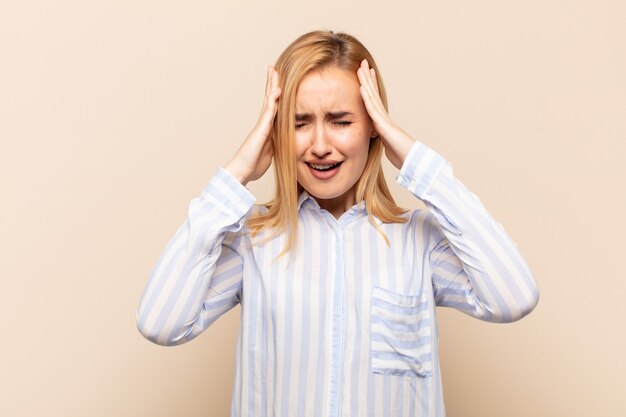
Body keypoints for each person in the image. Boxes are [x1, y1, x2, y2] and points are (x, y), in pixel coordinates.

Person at [136, 30, 540, 417]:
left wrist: (415, 160)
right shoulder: (252, 240)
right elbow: (161, 322)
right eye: (299, 123)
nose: (320, 145)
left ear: (373, 130)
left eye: (341, 121)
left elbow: (513, 296)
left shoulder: (420, 241)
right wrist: (237, 172)